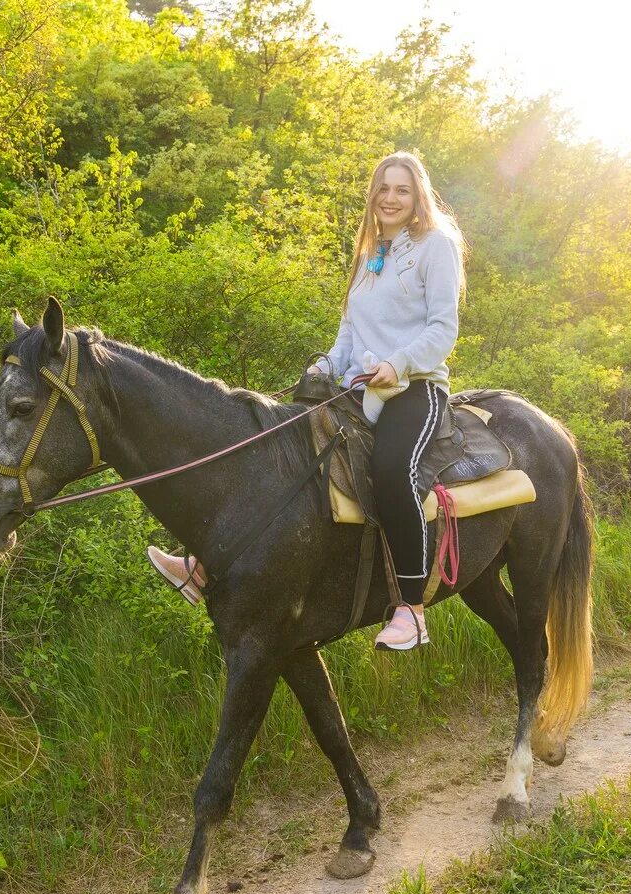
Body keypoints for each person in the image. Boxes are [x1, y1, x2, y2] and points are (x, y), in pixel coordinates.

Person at [148, 151, 467, 651]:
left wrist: (398, 364)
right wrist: (327, 366)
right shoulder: (371, 251)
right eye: (383, 188)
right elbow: (349, 331)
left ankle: (411, 608)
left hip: (415, 388)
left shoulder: (437, 245)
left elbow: (443, 329)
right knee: (279, 454)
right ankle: (202, 565)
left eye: (402, 189)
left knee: (391, 471)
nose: (390, 197)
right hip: (359, 387)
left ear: (418, 194)